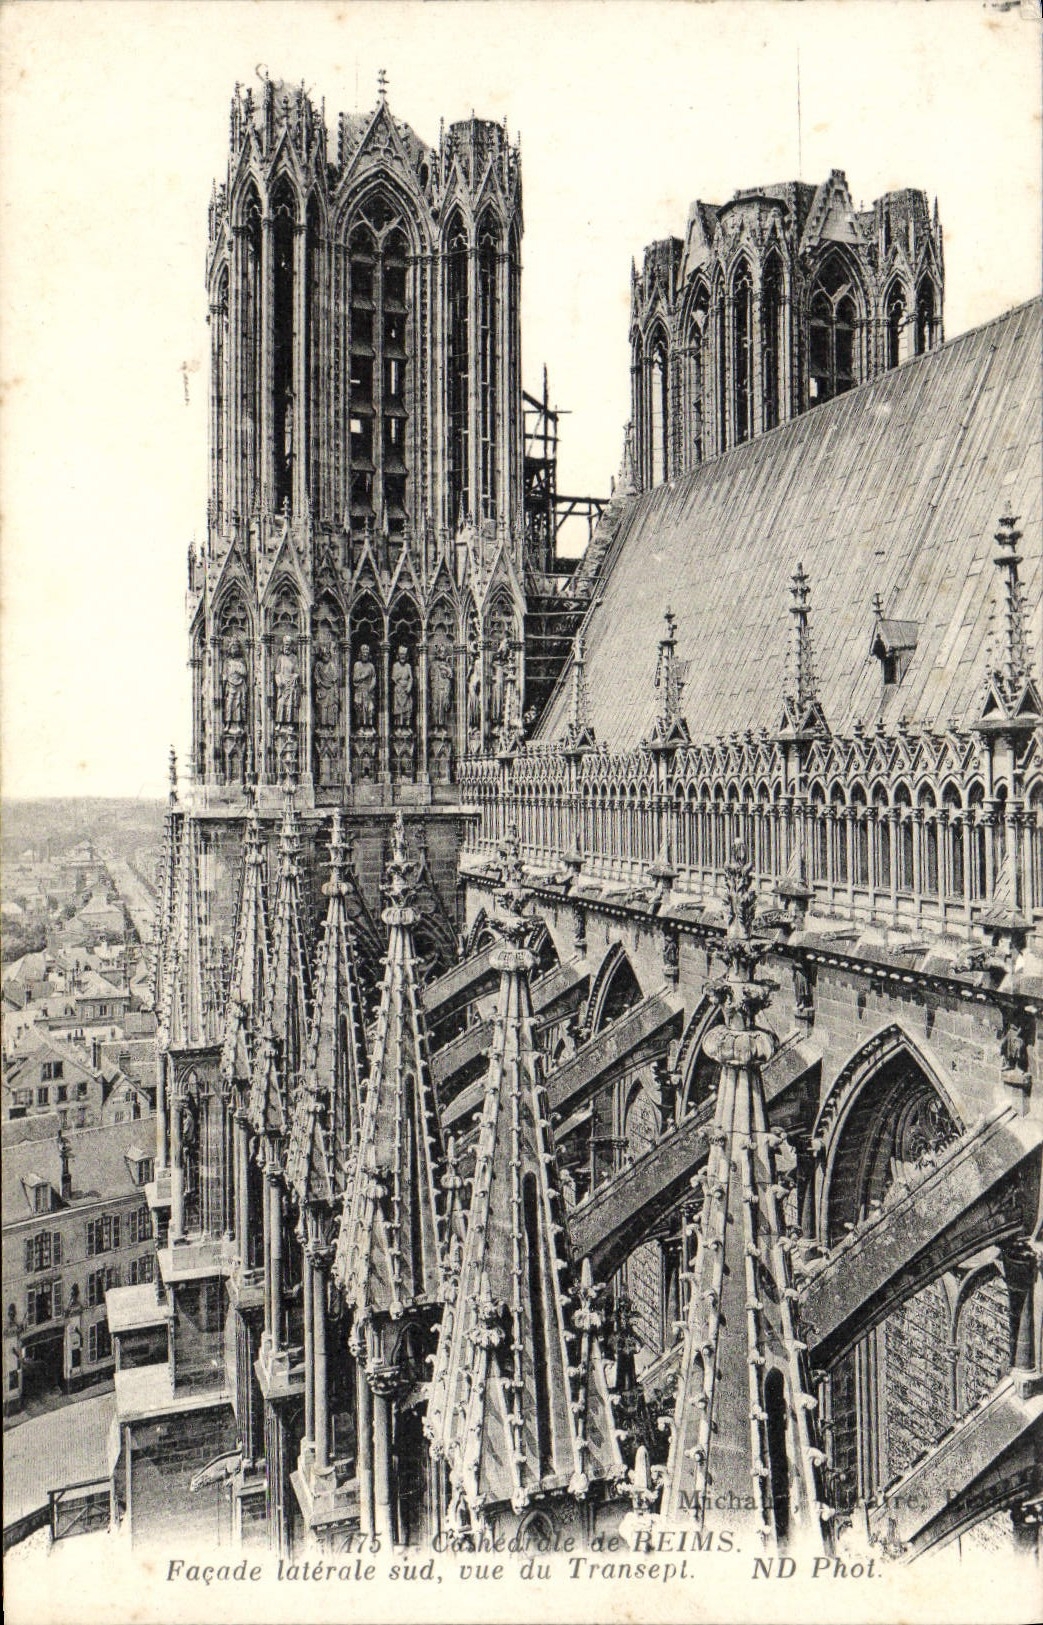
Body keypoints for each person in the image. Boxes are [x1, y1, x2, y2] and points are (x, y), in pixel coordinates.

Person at [313, 637, 340, 730]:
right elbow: (316, 676)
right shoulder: (319, 664)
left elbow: (335, 676)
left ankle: (330, 726)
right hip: (322, 688)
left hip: (330, 689)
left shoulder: (332, 665)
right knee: (321, 707)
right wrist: (320, 683)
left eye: (328, 655)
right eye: (324, 655)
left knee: (331, 707)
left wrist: (332, 683)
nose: (326, 657)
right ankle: (321, 725)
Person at [222, 638, 248, 727]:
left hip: (240, 685)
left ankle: (238, 725)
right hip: (230, 685)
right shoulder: (227, 661)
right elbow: (225, 674)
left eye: (236, 647)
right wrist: (223, 686)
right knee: (229, 705)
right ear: (230, 649)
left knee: (239, 705)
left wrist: (238, 670)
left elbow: (245, 672)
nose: (235, 649)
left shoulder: (241, 661)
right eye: (233, 647)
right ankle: (228, 724)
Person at [353, 643, 377, 729]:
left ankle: (369, 727)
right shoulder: (357, 664)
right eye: (363, 653)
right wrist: (364, 676)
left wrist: (371, 686)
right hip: (359, 691)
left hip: (369, 691)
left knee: (369, 710)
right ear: (360, 654)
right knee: (360, 710)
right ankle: (361, 727)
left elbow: (374, 678)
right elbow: (355, 679)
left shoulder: (371, 666)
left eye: (367, 653)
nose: (365, 654)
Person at [391, 645, 414, 728]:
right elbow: (393, 678)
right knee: (399, 710)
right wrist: (398, 677)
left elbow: (411, 678)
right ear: (398, 655)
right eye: (401, 654)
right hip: (398, 689)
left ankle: (406, 727)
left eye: (404, 655)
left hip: (406, 690)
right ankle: (399, 727)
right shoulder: (395, 665)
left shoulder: (408, 666)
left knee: (407, 709)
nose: (402, 656)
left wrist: (409, 687)